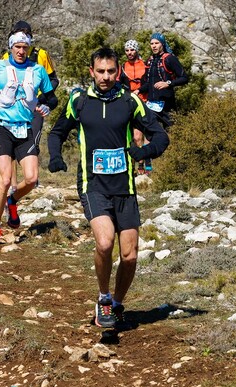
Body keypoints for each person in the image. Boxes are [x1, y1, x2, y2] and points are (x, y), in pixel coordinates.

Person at [48, 48, 169, 329]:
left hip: (124, 188)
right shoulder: (78, 101)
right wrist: (55, 156)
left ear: (118, 72)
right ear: (91, 72)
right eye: (100, 71)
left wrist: (145, 152)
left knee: (130, 255)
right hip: (93, 185)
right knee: (104, 243)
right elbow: (58, 132)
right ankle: (103, 297)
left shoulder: (130, 101)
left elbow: (161, 135)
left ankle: (116, 303)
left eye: (111, 71)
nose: (105, 77)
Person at [0, 30, 57, 244]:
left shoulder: (38, 70)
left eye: (25, 47)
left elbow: (52, 98)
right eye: (17, 47)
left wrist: (46, 106)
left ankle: (12, 201)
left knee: (32, 179)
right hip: (3, 129)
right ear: (11, 47)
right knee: (5, 179)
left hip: (25, 129)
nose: (21, 51)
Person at [139, 32, 189, 129]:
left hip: (167, 105)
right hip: (151, 105)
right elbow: (149, 83)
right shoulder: (149, 61)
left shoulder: (169, 59)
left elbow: (184, 78)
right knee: (150, 133)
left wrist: (168, 83)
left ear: (162, 44)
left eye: (156, 43)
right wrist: (139, 90)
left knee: (172, 132)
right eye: (152, 44)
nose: (154, 46)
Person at [119, 39, 151, 175]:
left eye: (132, 50)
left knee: (141, 136)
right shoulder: (123, 66)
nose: (129, 53)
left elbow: (150, 82)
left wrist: (139, 90)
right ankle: (131, 165)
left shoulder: (144, 65)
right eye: (127, 50)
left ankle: (143, 163)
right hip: (128, 103)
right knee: (131, 137)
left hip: (143, 101)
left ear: (136, 50)